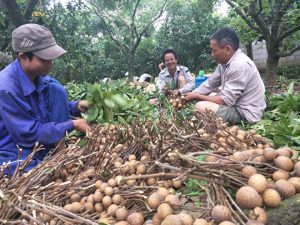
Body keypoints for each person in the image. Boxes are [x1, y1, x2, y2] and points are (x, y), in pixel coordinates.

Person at [0, 23, 90, 175]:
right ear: (23, 57)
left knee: (56, 89)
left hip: (41, 142)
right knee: (21, 168)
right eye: (44, 59)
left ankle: (57, 152)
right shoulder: (6, 88)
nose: (50, 64)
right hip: (17, 146)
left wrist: (76, 106)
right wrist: (72, 124)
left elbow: (42, 109)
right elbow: (29, 135)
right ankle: (50, 159)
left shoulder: (38, 77)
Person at [185, 28, 266, 124]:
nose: (212, 54)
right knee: (209, 95)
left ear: (227, 49)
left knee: (199, 106)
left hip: (245, 113)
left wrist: (196, 96)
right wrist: (193, 93)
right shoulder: (224, 63)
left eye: (214, 50)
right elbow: (210, 83)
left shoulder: (239, 64)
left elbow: (225, 101)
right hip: (236, 104)